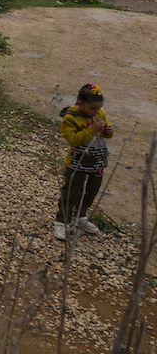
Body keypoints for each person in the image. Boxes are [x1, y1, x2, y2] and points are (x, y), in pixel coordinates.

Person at [56, 83, 115, 240]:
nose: (96, 111)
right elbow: (73, 139)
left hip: (97, 160)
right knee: (72, 190)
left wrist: (108, 131)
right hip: (77, 162)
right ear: (80, 103)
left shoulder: (99, 113)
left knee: (92, 189)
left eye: (98, 108)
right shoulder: (70, 118)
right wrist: (91, 129)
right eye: (93, 108)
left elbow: (105, 133)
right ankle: (62, 221)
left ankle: (80, 215)